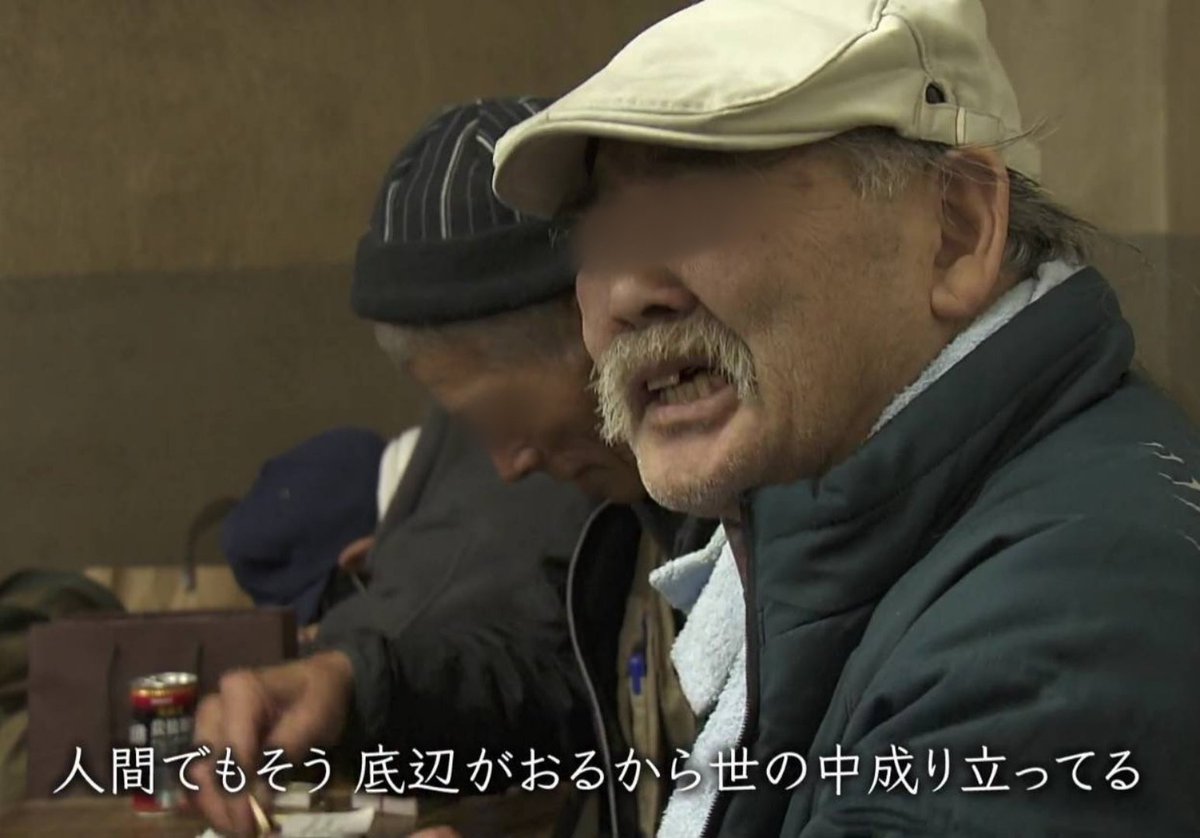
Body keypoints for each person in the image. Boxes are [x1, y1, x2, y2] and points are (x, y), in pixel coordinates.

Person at [491, 1, 1200, 835]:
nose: (621, 297)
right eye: (595, 234)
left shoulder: (1068, 627)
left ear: (957, 231)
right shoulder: (853, 530)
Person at [194, 99, 707, 838]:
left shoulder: (773, 539)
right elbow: (569, 690)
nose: (509, 466)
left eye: (503, 416)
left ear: (607, 321)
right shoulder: (641, 529)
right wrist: (352, 685)